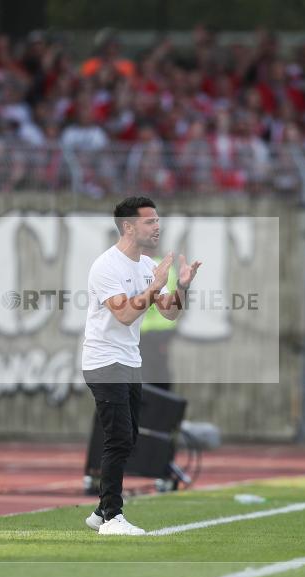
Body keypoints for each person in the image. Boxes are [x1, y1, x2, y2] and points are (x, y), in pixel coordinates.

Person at [82, 197, 200, 535]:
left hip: (130, 360)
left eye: (157, 221)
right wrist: (152, 287)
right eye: (150, 222)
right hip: (104, 360)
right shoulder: (106, 266)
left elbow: (168, 312)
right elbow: (124, 314)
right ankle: (112, 518)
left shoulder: (147, 265)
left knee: (130, 437)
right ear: (129, 226)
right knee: (117, 437)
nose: (157, 227)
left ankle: (101, 507)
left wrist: (181, 286)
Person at [139, 250, 178, 389]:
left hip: (151, 331)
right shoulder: (168, 268)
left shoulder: (141, 268)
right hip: (163, 331)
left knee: (149, 375)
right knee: (158, 372)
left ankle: (159, 405)